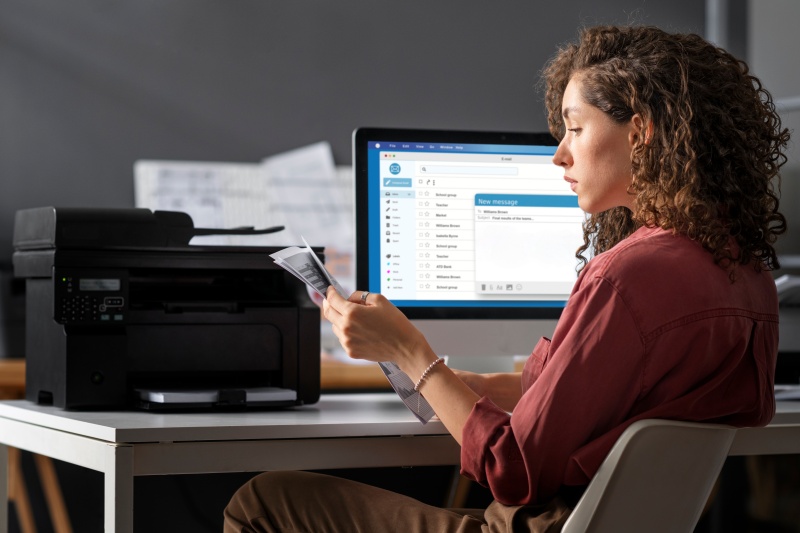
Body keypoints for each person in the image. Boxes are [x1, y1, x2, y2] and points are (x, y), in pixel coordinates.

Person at [224, 24, 789, 532]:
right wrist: (461, 385)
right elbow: (599, 400)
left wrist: (410, 354)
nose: (558, 155)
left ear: (639, 132)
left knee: (262, 501)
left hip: (535, 526)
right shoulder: (745, 272)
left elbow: (514, 470)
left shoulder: (625, 277)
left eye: (574, 129)